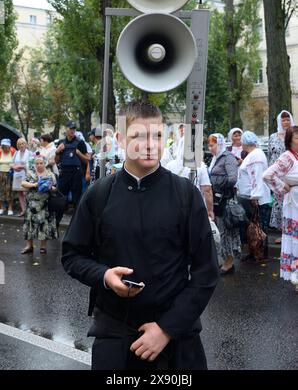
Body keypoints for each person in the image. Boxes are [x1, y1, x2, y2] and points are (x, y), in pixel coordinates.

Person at [62, 101, 218, 370]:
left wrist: (167, 329)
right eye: (139, 136)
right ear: (121, 139)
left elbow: (207, 271)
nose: (150, 145)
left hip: (177, 343)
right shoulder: (98, 195)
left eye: (157, 135)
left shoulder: (185, 195)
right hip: (115, 337)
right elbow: (72, 255)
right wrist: (104, 276)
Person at [263, 126, 298, 292]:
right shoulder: (287, 158)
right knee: (295, 240)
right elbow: (268, 175)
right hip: (294, 203)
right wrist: (282, 186)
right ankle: (295, 276)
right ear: (290, 140)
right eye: (296, 137)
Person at [208, 133, 240, 274]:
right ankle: (224, 260)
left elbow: (233, 178)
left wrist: (216, 183)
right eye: (208, 145)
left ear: (220, 144)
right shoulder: (215, 158)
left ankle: (229, 263)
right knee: (220, 231)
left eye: (212, 145)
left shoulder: (228, 157)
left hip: (226, 200)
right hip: (217, 199)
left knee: (227, 232)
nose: (210, 148)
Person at [236, 131, 271, 261]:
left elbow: (256, 177)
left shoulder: (255, 156)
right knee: (254, 227)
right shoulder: (254, 155)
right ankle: (255, 252)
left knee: (258, 228)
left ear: (245, 143)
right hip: (253, 197)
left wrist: (255, 196)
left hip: (257, 199)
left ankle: (259, 254)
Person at [21, 156, 58, 254]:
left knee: (44, 224)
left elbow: (55, 188)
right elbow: (23, 183)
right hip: (32, 203)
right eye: (37, 163)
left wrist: (50, 187)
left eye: (41, 163)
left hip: (45, 204)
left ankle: (43, 247)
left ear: (44, 163)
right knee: (29, 224)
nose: (39, 165)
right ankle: (29, 246)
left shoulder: (50, 174)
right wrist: (34, 185)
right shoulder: (30, 173)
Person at [268, 110, 294, 243]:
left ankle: (291, 232)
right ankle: (283, 233)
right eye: (283, 120)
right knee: (279, 204)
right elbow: (269, 155)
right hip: (275, 176)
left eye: (288, 119)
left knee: (290, 204)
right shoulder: (273, 137)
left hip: (289, 175)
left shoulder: (294, 136)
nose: (285, 122)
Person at [55, 121, 87, 222]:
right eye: (70, 128)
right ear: (66, 129)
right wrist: (57, 151)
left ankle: (76, 225)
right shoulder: (61, 143)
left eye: (74, 129)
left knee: (76, 200)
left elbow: (87, 160)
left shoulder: (80, 142)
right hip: (64, 173)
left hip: (76, 173)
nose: (72, 130)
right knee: (61, 199)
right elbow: (56, 160)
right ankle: (55, 225)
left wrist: (79, 153)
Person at [12, 138, 30, 216]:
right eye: (19, 144)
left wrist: (22, 167)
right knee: (19, 193)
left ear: (25, 144)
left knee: (26, 193)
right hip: (17, 175)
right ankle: (23, 210)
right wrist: (14, 167)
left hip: (25, 176)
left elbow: (31, 164)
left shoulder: (29, 153)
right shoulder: (16, 153)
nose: (21, 145)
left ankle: (28, 210)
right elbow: (12, 163)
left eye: (22, 143)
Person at [0, 139, 16, 215]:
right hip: (0, 174)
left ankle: (10, 208)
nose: (4, 147)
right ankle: (2, 207)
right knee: (1, 190)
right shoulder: (0, 151)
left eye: (6, 146)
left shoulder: (13, 151)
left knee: (10, 191)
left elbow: (17, 162)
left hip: (10, 174)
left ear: (9, 146)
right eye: (3, 146)